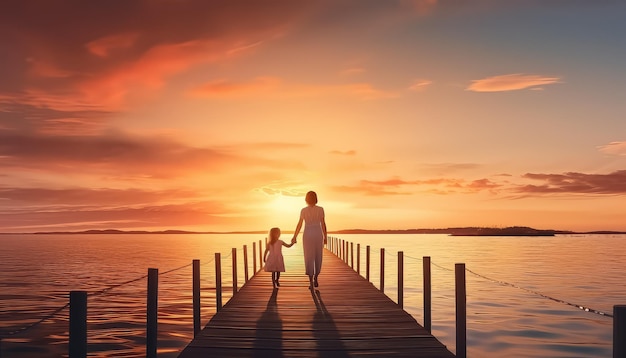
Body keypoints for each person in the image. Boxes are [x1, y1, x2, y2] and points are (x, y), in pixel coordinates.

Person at [291, 191, 327, 289]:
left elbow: (299, 224)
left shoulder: (303, 210)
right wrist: (325, 237)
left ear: (306, 199)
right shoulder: (320, 209)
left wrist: (295, 236)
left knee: (308, 256)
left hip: (307, 233)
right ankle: (316, 277)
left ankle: (311, 282)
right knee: (318, 255)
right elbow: (323, 224)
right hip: (317, 233)